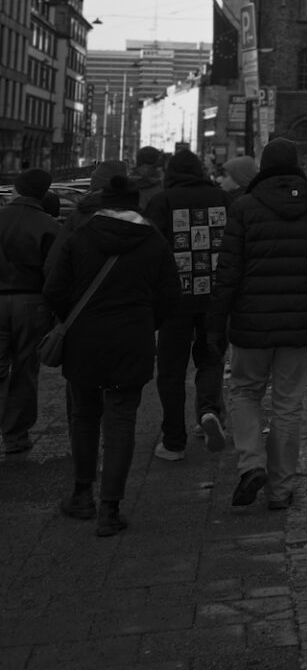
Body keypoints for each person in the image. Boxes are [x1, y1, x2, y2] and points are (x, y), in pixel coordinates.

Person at [208, 137, 307, 511]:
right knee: (287, 405)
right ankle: (280, 490)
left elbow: (228, 273)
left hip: (250, 323)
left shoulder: (244, 208)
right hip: (299, 324)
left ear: (264, 168)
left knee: (245, 391)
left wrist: (215, 324)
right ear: (297, 166)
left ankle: (252, 463)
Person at [42, 174, 179, 536]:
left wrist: (73, 319)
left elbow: (54, 289)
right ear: (136, 203)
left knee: (84, 417)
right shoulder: (154, 241)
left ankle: (81, 495)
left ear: (103, 202)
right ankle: (110, 509)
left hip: (84, 341)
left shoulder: (80, 236)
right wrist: (146, 322)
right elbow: (171, 296)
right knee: (121, 422)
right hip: (131, 341)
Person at [143, 148, 230, 459]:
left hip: (174, 300)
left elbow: (150, 251)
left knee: (171, 370)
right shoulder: (223, 199)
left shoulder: (162, 202)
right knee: (210, 359)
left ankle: (173, 440)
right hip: (215, 298)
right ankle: (208, 412)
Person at [0, 169, 63, 455]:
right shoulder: (49, 225)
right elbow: (55, 274)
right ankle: (15, 435)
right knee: (25, 371)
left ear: (17, 189)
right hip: (33, 302)